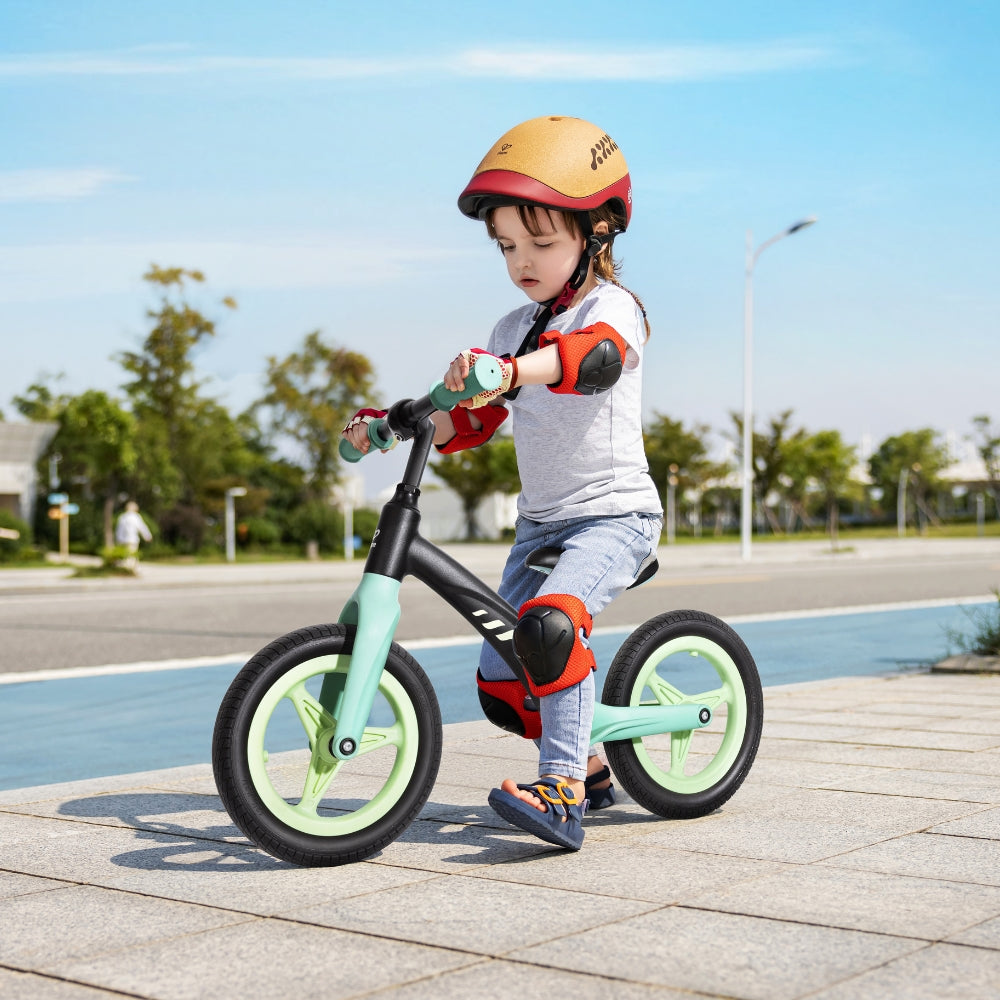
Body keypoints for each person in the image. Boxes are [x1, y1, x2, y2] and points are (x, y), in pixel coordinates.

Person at [343, 115, 663, 851]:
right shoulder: (511, 324)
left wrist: (514, 372)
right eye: (507, 246)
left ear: (597, 233)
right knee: (500, 677)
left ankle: (563, 793)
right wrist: (402, 423)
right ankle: (593, 764)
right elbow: (473, 423)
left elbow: (593, 361)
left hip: (614, 516)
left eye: (541, 242)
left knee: (549, 628)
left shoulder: (612, 309)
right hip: (542, 524)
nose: (522, 259)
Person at [115, 500, 153, 570]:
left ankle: (128, 568)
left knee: (126, 555)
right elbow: (142, 527)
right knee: (132, 555)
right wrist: (148, 536)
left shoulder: (122, 517)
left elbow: (119, 530)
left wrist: (118, 539)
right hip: (133, 540)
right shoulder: (136, 517)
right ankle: (130, 569)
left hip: (123, 540)